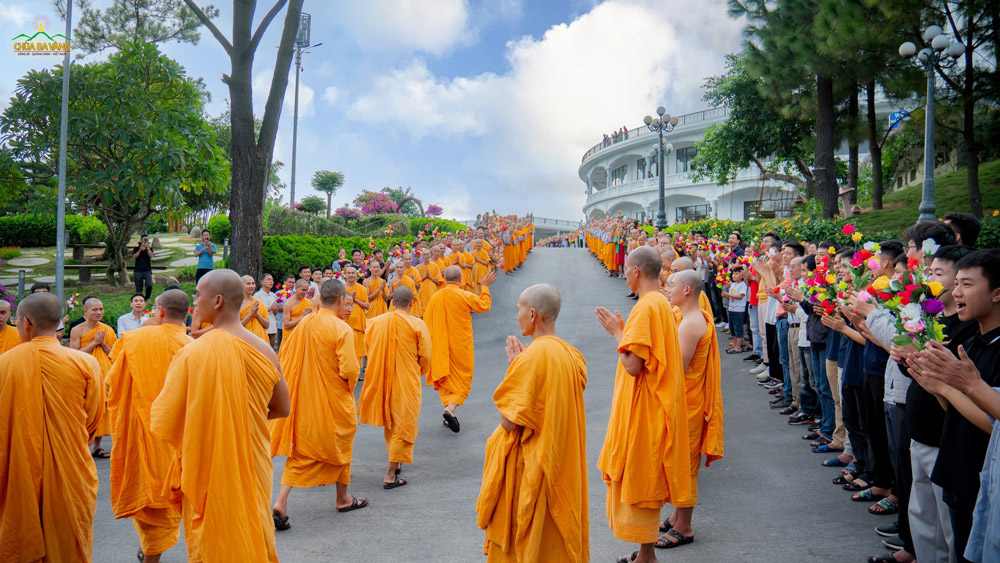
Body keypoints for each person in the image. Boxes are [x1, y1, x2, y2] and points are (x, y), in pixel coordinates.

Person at [150, 269, 289, 562]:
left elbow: (164, 421)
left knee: (215, 532)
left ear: (217, 301)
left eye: (198, 295)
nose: (194, 301)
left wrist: (217, 419)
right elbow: (282, 408)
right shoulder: (264, 349)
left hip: (208, 459)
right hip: (252, 456)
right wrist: (242, 419)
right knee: (251, 520)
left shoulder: (193, 352)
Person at [476, 283, 590, 562]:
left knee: (531, 545)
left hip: (535, 466)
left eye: (518, 310)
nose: (516, 317)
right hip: (563, 462)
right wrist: (520, 365)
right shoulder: (571, 354)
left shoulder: (533, 357)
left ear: (532, 314)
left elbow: (509, 422)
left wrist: (515, 368)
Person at [595, 246, 690, 563]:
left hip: (645, 407)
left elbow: (633, 365)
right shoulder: (659, 302)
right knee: (646, 474)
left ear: (636, 271)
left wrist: (617, 332)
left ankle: (647, 556)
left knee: (641, 475)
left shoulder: (647, 307)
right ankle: (646, 553)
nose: (623, 273)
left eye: (625, 268)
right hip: (653, 402)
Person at [907, 249, 1000, 563]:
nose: (956, 292)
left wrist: (950, 385)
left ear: (997, 293)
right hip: (957, 467)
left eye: (967, 284)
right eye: (956, 283)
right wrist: (933, 384)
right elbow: (957, 408)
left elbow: (993, 422)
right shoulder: (972, 343)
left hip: (979, 474)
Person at [0, 292, 104, 562]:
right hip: (71, 468)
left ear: (27, 323)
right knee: (68, 543)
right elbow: (93, 419)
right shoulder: (86, 362)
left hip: (18, 469)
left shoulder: (4, 365)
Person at [270, 279, 367, 529]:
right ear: (339, 300)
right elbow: (349, 369)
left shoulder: (306, 322)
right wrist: (345, 389)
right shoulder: (341, 328)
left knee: (301, 452)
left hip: (303, 399)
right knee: (341, 444)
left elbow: (287, 356)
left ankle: (281, 500)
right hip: (332, 400)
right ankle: (343, 498)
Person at [106, 289, 192, 563]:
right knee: (182, 497)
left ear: (160, 311)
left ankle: (151, 555)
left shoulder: (133, 340)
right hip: (180, 436)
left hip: (141, 431)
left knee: (149, 495)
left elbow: (111, 384)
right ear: (187, 313)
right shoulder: (193, 346)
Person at [656, 269, 724, 549]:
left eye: (672, 284)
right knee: (681, 462)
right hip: (687, 399)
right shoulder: (688, 318)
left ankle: (684, 527)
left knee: (684, 465)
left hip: (688, 402)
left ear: (687, 290)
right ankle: (676, 516)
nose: (667, 288)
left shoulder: (692, 322)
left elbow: (677, 369)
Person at [358, 287, 430, 489]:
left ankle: (395, 460)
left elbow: (368, 346)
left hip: (383, 378)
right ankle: (390, 474)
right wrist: (417, 370)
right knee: (405, 422)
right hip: (406, 379)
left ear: (391, 301)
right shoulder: (417, 324)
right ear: (413, 302)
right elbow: (425, 356)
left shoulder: (375, 322)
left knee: (392, 422)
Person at [424, 266, 496, 432]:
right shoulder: (464, 295)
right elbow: (484, 305)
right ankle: (450, 409)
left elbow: (427, 321)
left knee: (446, 376)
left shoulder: (435, 298)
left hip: (440, 345)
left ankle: (449, 409)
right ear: (461, 280)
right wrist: (485, 287)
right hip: (460, 346)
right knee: (463, 377)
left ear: (443, 278)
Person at [70, 296, 118, 458]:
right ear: (85, 311)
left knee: (101, 410)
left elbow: (114, 354)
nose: (99, 312)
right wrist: (94, 343)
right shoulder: (78, 330)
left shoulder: (107, 330)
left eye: (101, 309)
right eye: (95, 310)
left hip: (104, 373)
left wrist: (102, 343)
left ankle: (97, 446)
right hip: (85, 372)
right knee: (85, 409)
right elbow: (74, 354)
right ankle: (82, 446)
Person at [342, 265, 369, 367]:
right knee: (345, 347)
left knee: (357, 349)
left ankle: (356, 372)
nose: (351, 275)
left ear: (357, 275)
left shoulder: (361, 288)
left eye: (353, 273)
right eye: (348, 273)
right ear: (345, 275)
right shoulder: (341, 288)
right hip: (345, 322)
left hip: (358, 323)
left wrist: (355, 300)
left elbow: (367, 306)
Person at [721, 267, 748, 353]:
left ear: (742, 275)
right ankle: (735, 345)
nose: (734, 276)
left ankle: (738, 347)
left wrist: (728, 294)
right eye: (733, 274)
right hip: (731, 309)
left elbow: (740, 296)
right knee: (732, 329)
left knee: (738, 329)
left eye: (737, 274)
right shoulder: (733, 284)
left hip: (738, 310)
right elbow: (731, 295)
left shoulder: (742, 285)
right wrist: (726, 295)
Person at [240, 275, 270, 343]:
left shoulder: (259, 303)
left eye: (253, 283)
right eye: (248, 283)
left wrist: (257, 314)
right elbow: (237, 327)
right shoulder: (237, 304)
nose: (251, 286)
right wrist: (250, 313)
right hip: (245, 341)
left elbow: (267, 325)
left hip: (260, 341)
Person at [255, 273, 280, 349]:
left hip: (272, 326)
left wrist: (276, 309)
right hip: (262, 326)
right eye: (268, 279)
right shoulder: (257, 295)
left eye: (272, 280)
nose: (271, 282)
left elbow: (274, 313)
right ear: (262, 282)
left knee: (272, 349)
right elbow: (256, 311)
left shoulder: (273, 295)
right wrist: (270, 308)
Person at [132, 233, 155, 299]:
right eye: (144, 239)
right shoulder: (136, 248)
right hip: (138, 270)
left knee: (149, 284)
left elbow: (151, 256)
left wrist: (147, 248)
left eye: (147, 239)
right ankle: (140, 298)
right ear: (141, 240)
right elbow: (134, 257)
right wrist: (140, 249)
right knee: (139, 287)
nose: (145, 241)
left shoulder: (150, 249)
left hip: (147, 270)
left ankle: (147, 297)